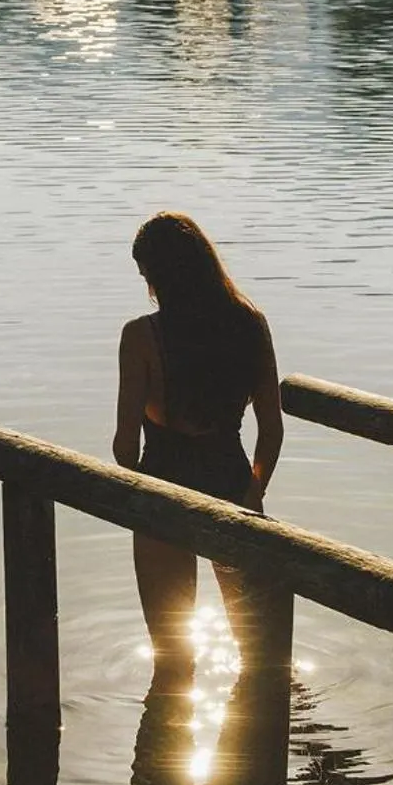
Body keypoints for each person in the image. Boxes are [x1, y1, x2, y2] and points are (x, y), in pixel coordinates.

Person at [112, 211, 283, 674]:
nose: (146, 285)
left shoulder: (141, 337)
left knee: (173, 661)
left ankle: (165, 736)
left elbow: (125, 446)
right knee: (258, 657)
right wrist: (253, 495)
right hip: (232, 485)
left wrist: (131, 476)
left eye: (147, 274)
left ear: (159, 275)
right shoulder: (249, 324)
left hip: (162, 495)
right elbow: (272, 430)